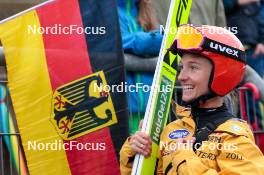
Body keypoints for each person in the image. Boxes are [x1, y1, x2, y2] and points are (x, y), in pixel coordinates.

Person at [120, 24, 264, 174]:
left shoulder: (234, 138)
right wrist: (135, 154)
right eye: (182, 67)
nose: (181, 77)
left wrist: (184, 158)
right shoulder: (172, 129)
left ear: (221, 74)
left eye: (193, 68)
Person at [117, 0, 163, 133]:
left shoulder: (146, 10)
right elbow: (119, 41)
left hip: (151, 113)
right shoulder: (103, 11)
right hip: (121, 113)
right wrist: (162, 37)